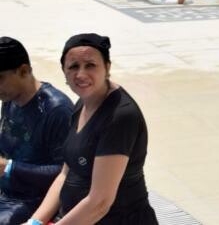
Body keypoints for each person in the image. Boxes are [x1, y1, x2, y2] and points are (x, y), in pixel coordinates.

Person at [27, 34, 158, 225]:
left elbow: (100, 203)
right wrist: (35, 222)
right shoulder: (83, 103)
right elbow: (66, 173)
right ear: (64, 71)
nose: (81, 74)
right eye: (73, 66)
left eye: (90, 65)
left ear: (107, 68)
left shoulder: (120, 116)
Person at [0, 37, 73, 225]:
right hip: (6, 190)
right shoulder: (9, 98)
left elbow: (67, 173)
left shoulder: (57, 110)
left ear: (24, 71)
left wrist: (9, 168)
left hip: (35, 199)